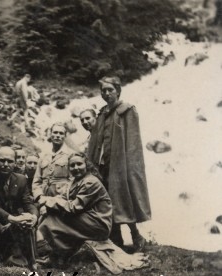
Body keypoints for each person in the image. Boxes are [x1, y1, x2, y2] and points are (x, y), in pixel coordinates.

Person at [87, 76, 151, 250]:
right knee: (106, 200)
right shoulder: (102, 113)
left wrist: (131, 167)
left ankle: (136, 235)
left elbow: (133, 141)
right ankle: (116, 239)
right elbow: (95, 140)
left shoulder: (127, 111)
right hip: (103, 166)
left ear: (118, 91)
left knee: (124, 199)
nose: (106, 93)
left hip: (120, 165)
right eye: (103, 91)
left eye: (110, 90)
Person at [38, 153, 112, 266]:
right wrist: (48, 202)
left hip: (98, 224)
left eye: (79, 164)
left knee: (52, 220)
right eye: (72, 165)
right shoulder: (75, 181)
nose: (76, 168)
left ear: (86, 165)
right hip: (87, 219)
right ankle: (57, 255)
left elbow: (73, 207)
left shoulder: (90, 182)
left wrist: (48, 202)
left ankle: (57, 255)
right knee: (50, 213)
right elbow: (63, 198)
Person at [32, 122, 75, 202]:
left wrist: (58, 200)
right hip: (42, 198)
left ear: (65, 136)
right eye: (55, 132)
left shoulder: (71, 155)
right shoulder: (44, 155)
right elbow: (37, 180)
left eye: (61, 133)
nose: (58, 135)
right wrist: (39, 197)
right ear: (50, 134)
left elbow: (73, 181)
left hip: (62, 200)